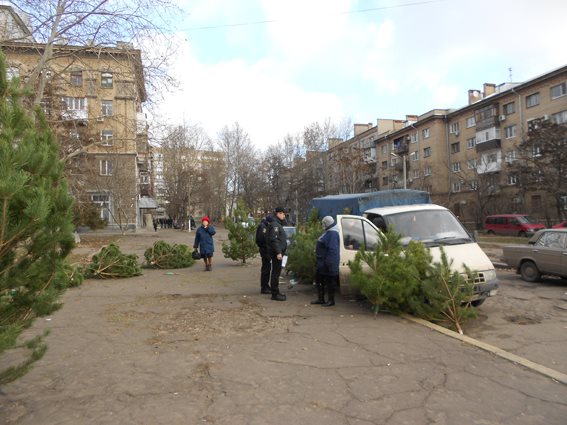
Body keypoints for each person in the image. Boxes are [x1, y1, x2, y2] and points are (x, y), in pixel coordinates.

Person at [311, 216, 340, 307]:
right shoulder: (328, 232)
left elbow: (332, 250)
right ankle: (321, 299)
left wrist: (329, 263)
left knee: (330, 282)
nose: (322, 225)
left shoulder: (332, 233)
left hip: (328, 263)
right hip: (322, 263)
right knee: (319, 280)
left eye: (324, 223)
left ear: (327, 223)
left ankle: (331, 301)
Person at [266, 207, 288, 301]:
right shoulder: (275, 225)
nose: (284, 216)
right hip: (276, 253)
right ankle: (275, 293)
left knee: (276, 272)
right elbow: (274, 240)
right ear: (279, 213)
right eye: (283, 214)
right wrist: (278, 252)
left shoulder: (278, 224)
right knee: (275, 273)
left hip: (278, 252)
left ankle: (276, 292)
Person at [255, 212, 273, 294]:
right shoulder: (263, 227)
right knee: (266, 269)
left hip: (265, 249)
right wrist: (265, 247)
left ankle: (266, 285)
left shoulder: (264, 225)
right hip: (265, 250)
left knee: (267, 268)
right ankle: (264, 287)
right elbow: (261, 239)